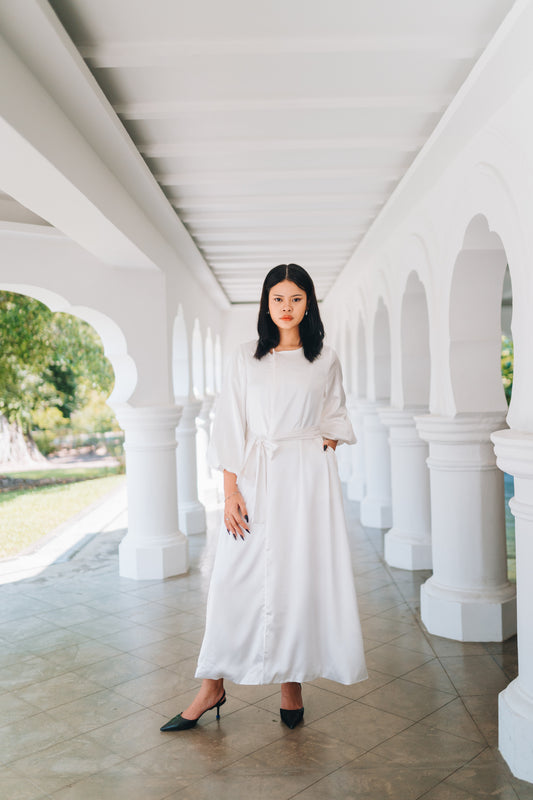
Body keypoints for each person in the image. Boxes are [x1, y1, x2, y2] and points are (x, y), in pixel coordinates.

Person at [161, 263, 367, 732]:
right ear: (266, 304)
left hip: (307, 482)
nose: (287, 307)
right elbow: (230, 424)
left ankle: (291, 683)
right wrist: (231, 490)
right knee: (232, 580)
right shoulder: (244, 357)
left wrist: (322, 447)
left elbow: (335, 413)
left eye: (296, 298)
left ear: (309, 302)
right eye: (278, 299)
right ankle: (212, 685)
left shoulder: (325, 358)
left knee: (298, 575)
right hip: (254, 475)